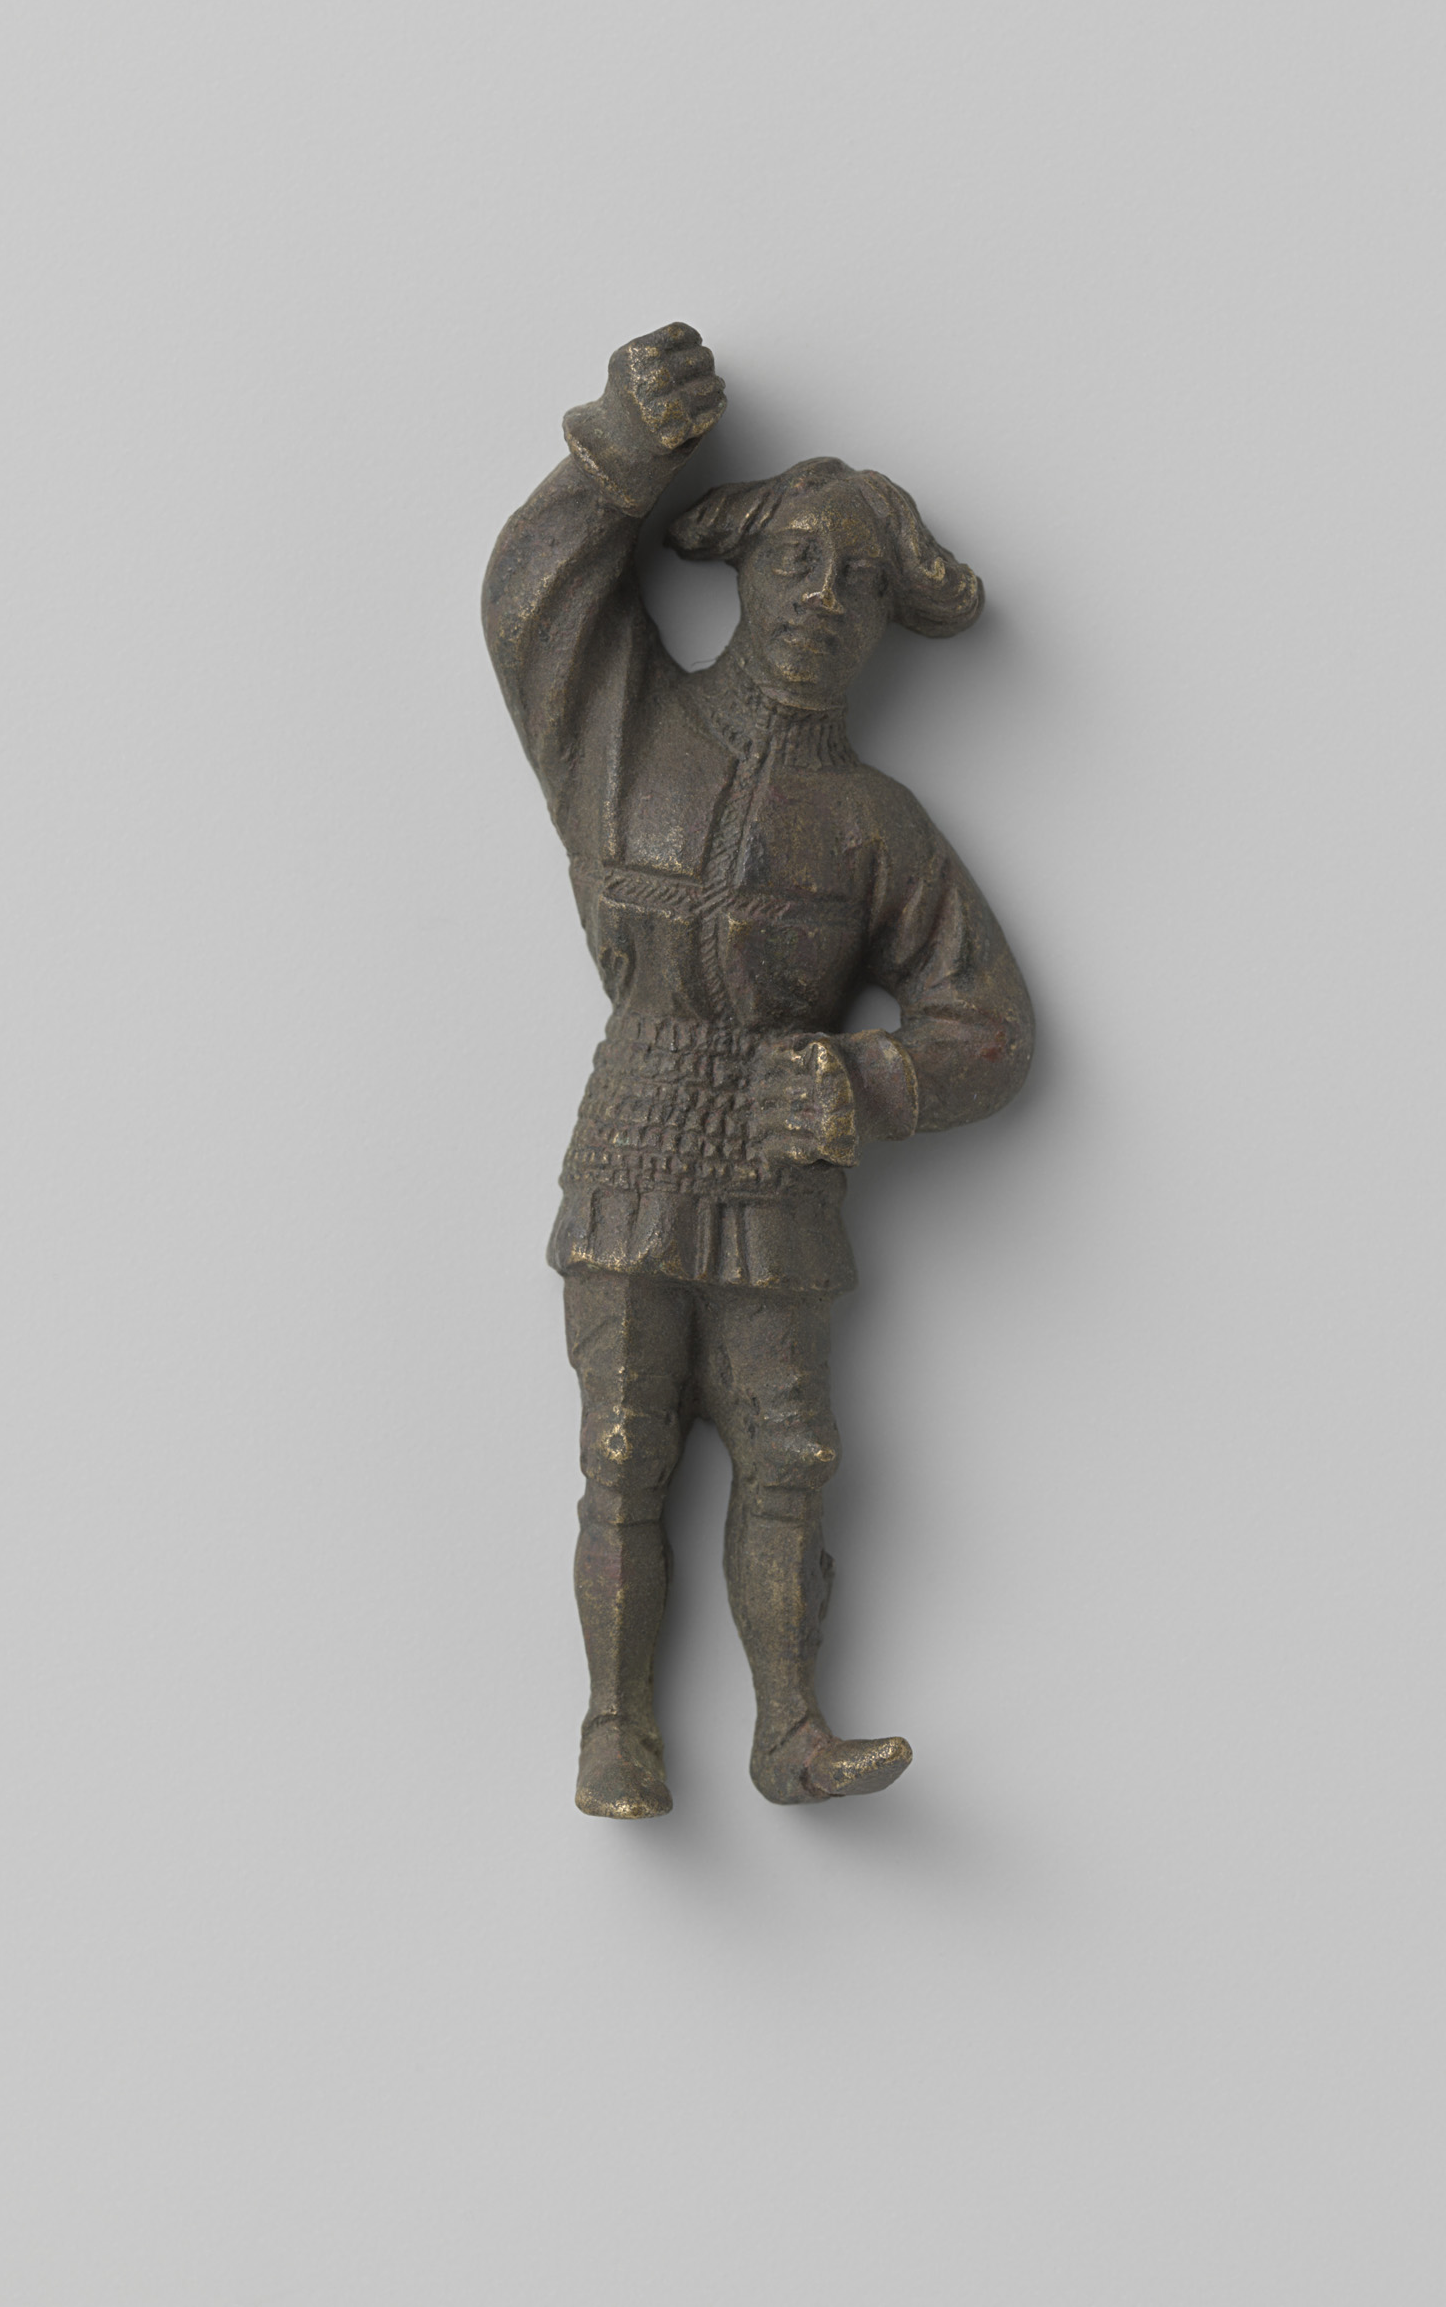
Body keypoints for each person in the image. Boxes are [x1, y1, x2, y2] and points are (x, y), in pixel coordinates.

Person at [482, 324, 1033, 1817]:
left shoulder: (875, 826)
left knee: (789, 1455)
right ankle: (616, 1731)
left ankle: (788, 1729)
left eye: (858, 583)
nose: (821, 600)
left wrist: (875, 1084)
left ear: (886, 622)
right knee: (622, 1450)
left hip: (782, 1167)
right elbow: (530, 603)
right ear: (741, 566)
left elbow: (988, 1024)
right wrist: (615, 457)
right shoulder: (627, 730)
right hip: (635, 1129)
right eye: (797, 560)